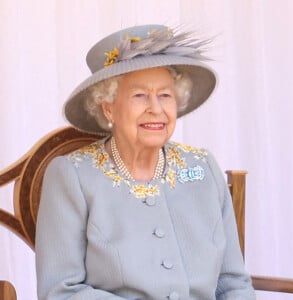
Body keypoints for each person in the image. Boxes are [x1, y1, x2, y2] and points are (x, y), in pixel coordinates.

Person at [35, 24, 256, 300]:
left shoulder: (201, 168)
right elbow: (60, 291)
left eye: (165, 95)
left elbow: (233, 282)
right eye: (139, 95)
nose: (156, 108)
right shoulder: (72, 177)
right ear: (108, 107)